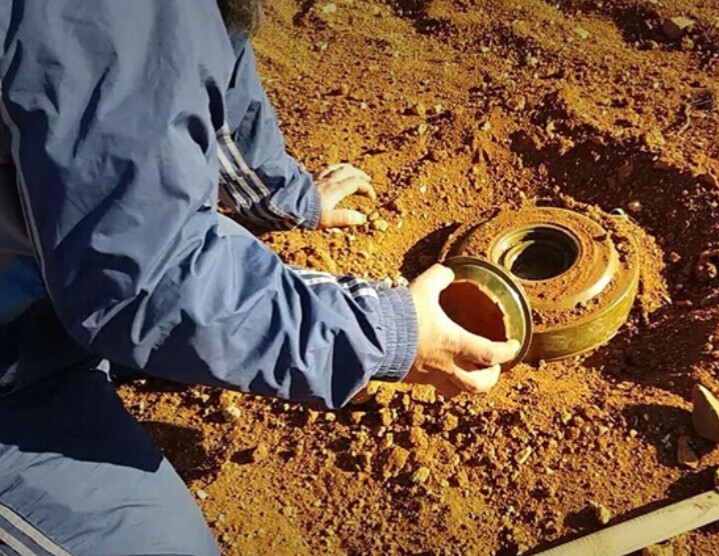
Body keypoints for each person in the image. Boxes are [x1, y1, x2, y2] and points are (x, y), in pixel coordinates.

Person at [0, 1, 519, 554]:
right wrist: (382, 336)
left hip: (41, 298)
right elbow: (141, 276)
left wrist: (280, 195)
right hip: (15, 367)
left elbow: (197, 53)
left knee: (214, 280)